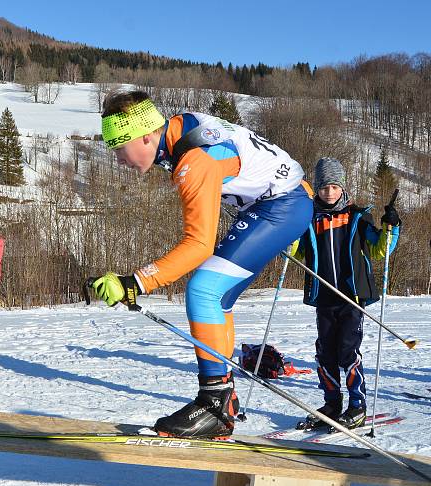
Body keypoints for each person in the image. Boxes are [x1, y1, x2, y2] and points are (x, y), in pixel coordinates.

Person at [91, 90, 313, 438]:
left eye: (121, 148)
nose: (119, 160)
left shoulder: (194, 160)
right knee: (215, 296)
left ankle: (214, 402)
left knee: (204, 289)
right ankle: (221, 399)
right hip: (284, 199)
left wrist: (136, 282)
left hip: (280, 206)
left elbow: (197, 244)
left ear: (147, 136)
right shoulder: (180, 128)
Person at [293, 157, 400, 430]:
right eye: (324, 187)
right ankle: (332, 403)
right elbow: (297, 251)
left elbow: (380, 249)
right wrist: (287, 232)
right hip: (324, 295)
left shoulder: (357, 217)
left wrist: (391, 226)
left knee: (347, 352)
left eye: (334, 186)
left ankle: (357, 406)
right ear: (317, 189)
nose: (329, 192)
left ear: (342, 188)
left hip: (352, 297)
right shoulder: (310, 220)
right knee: (325, 352)